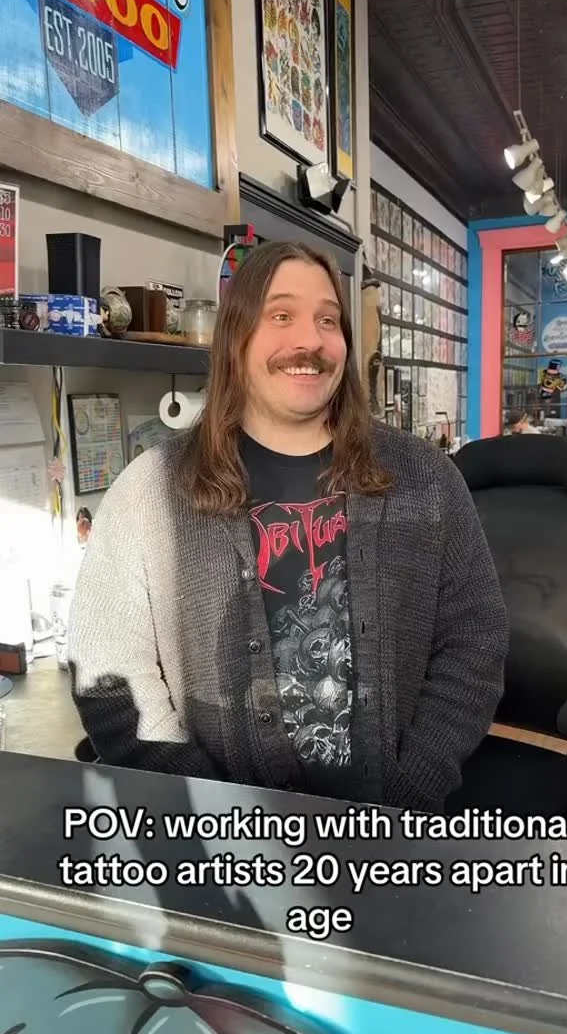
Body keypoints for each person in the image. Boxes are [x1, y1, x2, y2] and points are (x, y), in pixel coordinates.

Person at [68, 241, 509, 812]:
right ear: (237, 337)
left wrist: (410, 794)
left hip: (394, 824)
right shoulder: (151, 489)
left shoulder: (424, 478)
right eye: (281, 315)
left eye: (327, 319)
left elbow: (475, 641)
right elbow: (108, 667)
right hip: (219, 835)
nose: (309, 341)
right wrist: (208, 807)